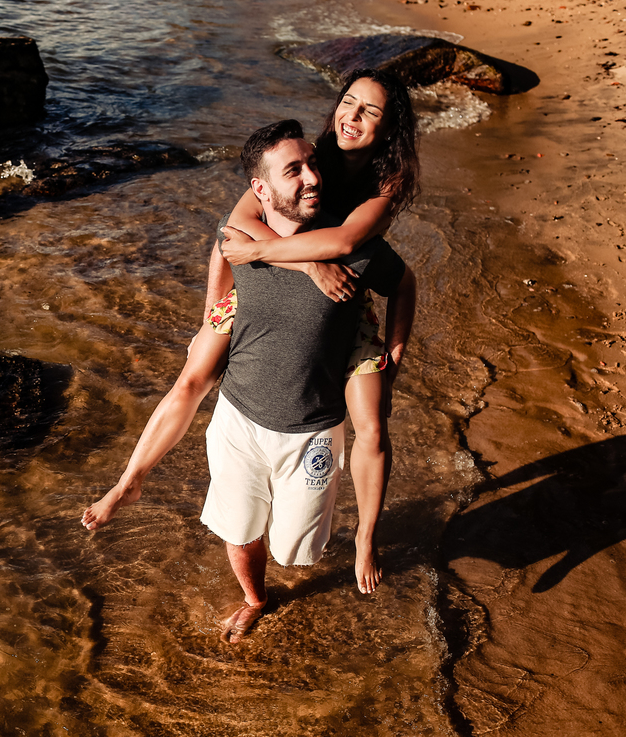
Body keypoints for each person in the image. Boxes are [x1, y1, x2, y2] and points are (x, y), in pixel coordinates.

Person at [82, 70, 419, 599]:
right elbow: (228, 234)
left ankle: (365, 539)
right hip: (277, 260)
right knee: (192, 378)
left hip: (346, 290)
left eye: (370, 112)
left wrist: (395, 354)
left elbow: (355, 243)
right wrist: (216, 312)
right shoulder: (310, 157)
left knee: (372, 427)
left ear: (389, 127)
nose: (352, 118)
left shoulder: (383, 183)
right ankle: (130, 483)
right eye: (348, 104)